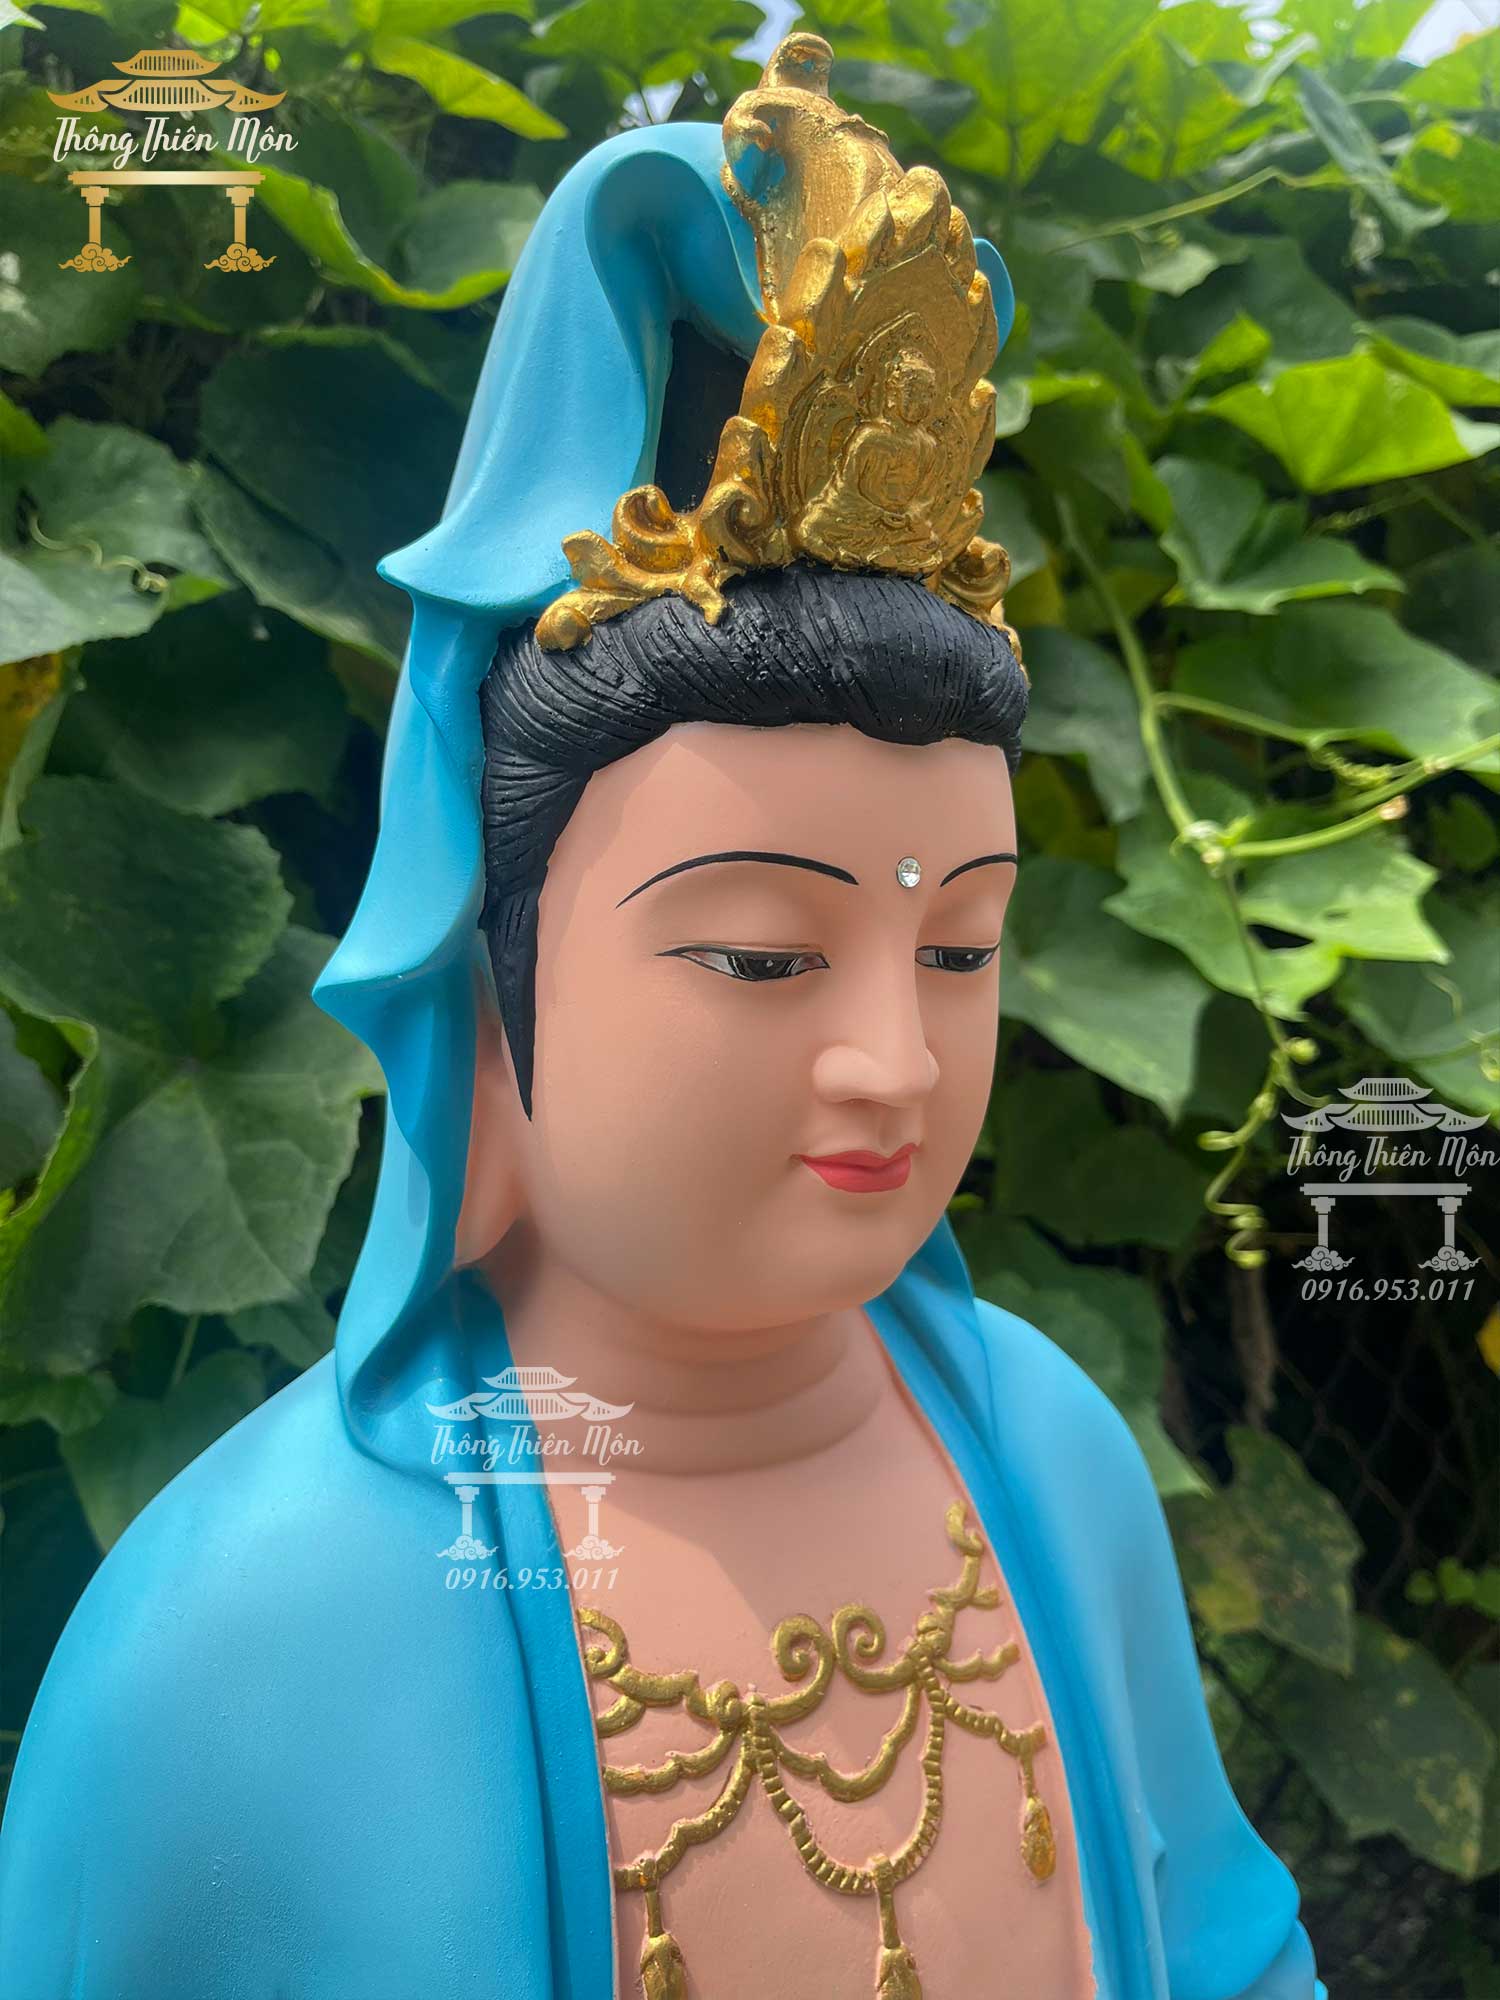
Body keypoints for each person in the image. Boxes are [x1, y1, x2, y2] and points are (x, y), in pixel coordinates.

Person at [0, 34, 1325, 2000]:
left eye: (961, 949)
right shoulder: (248, 1632)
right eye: (764, 956)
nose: (895, 1063)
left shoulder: (1049, 1457)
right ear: (495, 976)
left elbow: (1223, 1943)